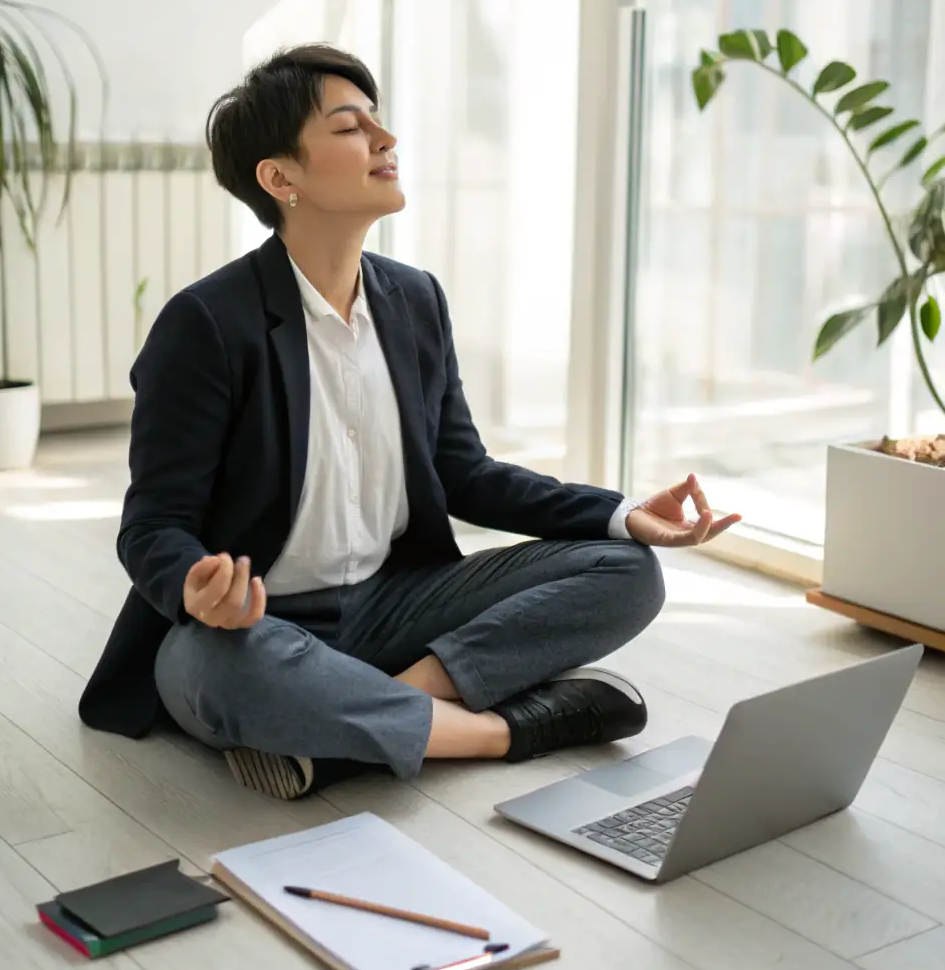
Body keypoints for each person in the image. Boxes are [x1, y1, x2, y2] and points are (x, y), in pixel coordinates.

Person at [79, 45, 740, 801]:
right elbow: (153, 524)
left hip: (399, 601)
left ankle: (358, 726)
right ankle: (504, 730)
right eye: (351, 126)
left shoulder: (415, 299)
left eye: (380, 121)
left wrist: (620, 513)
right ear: (280, 177)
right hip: (262, 624)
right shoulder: (204, 323)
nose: (385, 140)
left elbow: (467, 474)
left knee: (627, 570)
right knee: (207, 671)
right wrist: (196, 588)